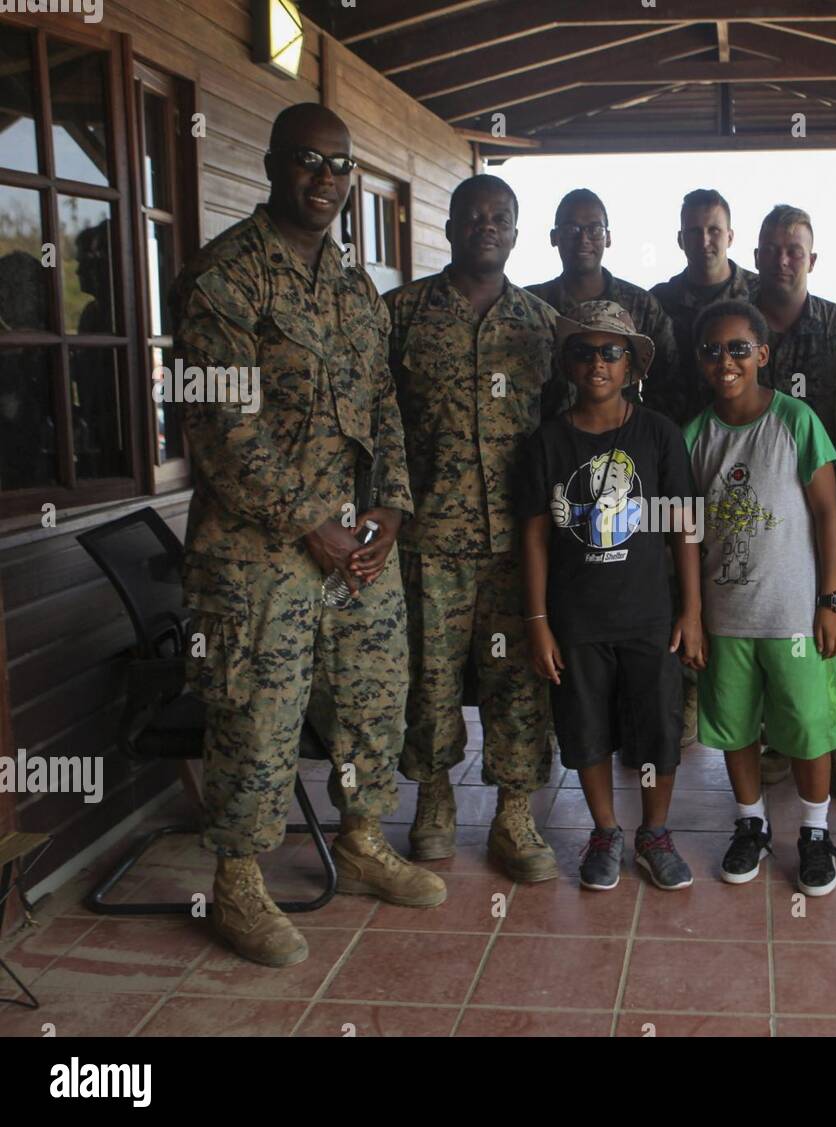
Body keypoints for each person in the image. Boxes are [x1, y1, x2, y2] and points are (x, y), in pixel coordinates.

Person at [172, 103, 444, 968]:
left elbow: (386, 407)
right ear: (269, 165)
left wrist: (390, 509)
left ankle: (361, 840)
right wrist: (309, 522)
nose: (324, 180)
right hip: (258, 558)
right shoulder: (226, 278)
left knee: (371, 700)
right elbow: (221, 425)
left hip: (357, 548)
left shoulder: (356, 289)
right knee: (258, 715)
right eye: (306, 162)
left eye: (339, 165)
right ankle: (238, 883)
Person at [387, 174, 560, 883]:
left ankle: (514, 813)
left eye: (501, 218)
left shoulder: (543, 324)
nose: (486, 226)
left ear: (515, 233)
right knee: (429, 676)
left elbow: (565, 432)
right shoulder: (401, 314)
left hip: (520, 542)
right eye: (473, 216)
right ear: (451, 225)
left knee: (519, 678)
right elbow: (376, 419)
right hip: (428, 536)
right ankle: (432, 800)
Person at [518, 301, 705, 890]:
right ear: (567, 364)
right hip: (576, 620)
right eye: (584, 351)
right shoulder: (546, 442)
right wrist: (538, 620)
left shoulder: (659, 435)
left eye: (611, 352)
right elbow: (535, 534)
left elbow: (684, 526)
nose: (597, 363)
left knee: (656, 728)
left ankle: (653, 831)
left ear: (631, 366)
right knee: (585, 726)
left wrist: (692, 611)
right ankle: (604, 829)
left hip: (649, 615)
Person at [684, 300, 836, 897]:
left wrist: (831, 601)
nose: (725, 361)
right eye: (712, 350)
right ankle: (751, 823)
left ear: (761, 354)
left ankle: (813, 831)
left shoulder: (795, 420)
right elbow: (686, 531)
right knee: (734, 728)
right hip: (727, 619)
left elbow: (829, 513)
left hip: (794, 618)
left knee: (809, 726)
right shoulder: (696, 436)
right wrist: (693, 617)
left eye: (737, 349)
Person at [750, 203, 836, 799]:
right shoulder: (737, 326)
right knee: (770, 620)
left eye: (794, 248)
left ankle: (835, 741)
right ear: (755, 257)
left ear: (812, 259)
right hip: (759, 509)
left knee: (832, 621)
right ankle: (776, 736)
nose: (782, 258)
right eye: (771, 248)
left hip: (829, 506)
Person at [527, 188, 677, 414]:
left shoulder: (642, 305)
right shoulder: (530, 306)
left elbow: (669, 380)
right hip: (547, 443)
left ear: (608, 238)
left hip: (623, 444)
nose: (583, 238)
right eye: (571, 228)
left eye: (595, 229)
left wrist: (644, 433)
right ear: (554, 237)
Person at [650, 189, 758, 428]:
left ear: (730, 237)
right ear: (680, 239)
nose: (704, 241)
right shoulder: (658, 302)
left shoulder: (760, 295)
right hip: (674, 436)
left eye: (714, 231)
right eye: (694, 231)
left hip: (745, 436)